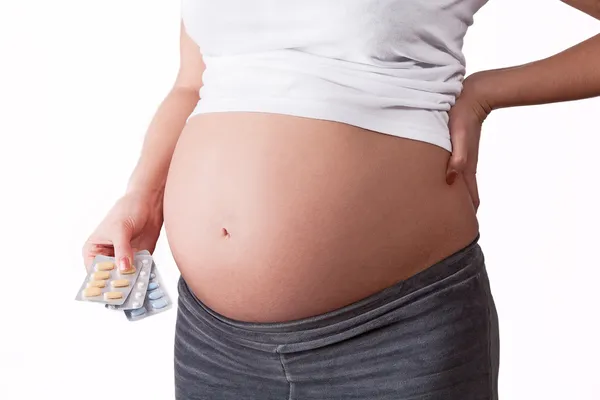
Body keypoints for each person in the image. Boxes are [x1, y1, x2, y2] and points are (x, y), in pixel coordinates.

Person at [81, 1, 600, 398]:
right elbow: (194, 85)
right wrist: (143, 194)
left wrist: (485, 93)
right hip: (214, 344)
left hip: (398, 333)